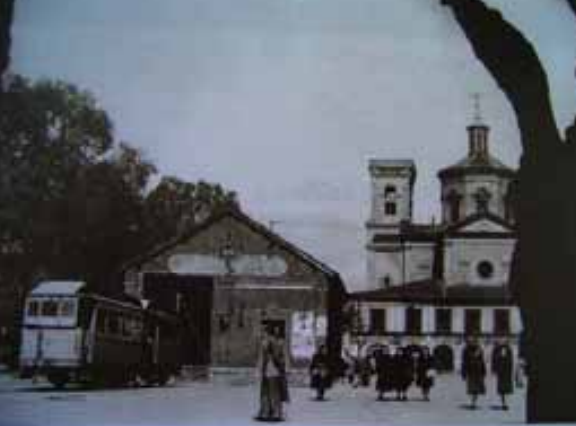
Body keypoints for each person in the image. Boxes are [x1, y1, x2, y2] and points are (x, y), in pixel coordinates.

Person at [255, 326, 289, 422]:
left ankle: (274, 412)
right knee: (266, 393)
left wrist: (285, 367)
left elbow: (284, 355)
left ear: (268, 333)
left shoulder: (278, 343)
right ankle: (267, 411)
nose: (262, 334)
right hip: (268, 371)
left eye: (264, 332)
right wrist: (259, 369)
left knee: (273, 393)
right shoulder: (265, 343)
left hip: (275, 371)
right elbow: (261, 357)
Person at [461, 338, 487, 409]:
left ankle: (474, 402)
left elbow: (482, 361)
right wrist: (463, 372)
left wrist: (484, 370)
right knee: (471, 388)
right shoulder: (466, 350)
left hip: (478, 371)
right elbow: (464, 362)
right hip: (470, 371)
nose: (473, 343)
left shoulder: (479, 350)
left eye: (475, 342)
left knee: (477, 389)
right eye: (472, 341)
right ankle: (472, 402)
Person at [491, 340, 514, 410]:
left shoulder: (507, 348)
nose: (502, 341)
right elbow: (494, 360)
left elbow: (509, 360)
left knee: (505, 389)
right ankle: (504, 403)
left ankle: (505, 403)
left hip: (506, 371)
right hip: (501, 371)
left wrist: (510, 370)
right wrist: (494, 368)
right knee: (502, 389)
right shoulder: (497, 349)